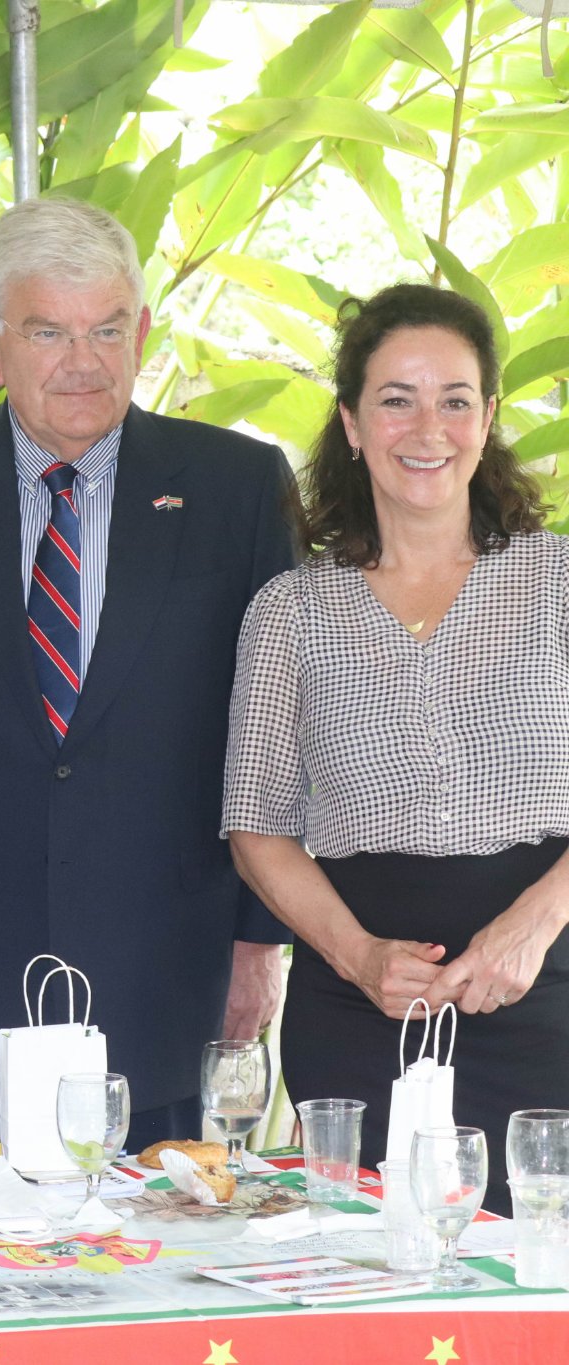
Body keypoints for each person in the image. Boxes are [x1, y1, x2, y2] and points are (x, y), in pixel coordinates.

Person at [0, 196, 300, 1160]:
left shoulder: (239, 487)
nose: (83, 361)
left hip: (163, 983)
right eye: (49, 332)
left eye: (107, 329)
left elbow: (276, 737)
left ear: (142, 334)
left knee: (146, 1281)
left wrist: (258, 941)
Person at [225, 284, 569, 1214]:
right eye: (396, 398)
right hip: (360, 1011)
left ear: (489, 418)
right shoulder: (292, 611)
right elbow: (256, 826)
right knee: (365, 1277)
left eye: (456, 398)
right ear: (350, 422)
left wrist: (532, 926)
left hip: (547, 1000)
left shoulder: (560, 584)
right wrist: (358, 956)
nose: (429, 427)